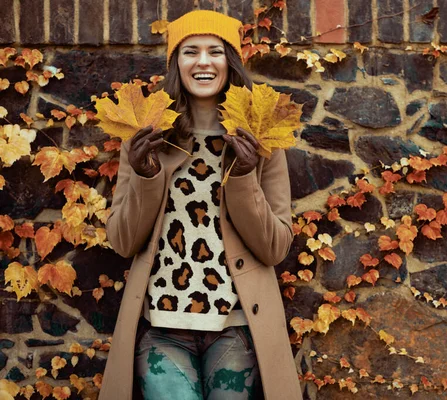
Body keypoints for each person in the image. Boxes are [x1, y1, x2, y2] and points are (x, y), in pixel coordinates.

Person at [98, 10, 302, 400]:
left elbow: (275, 247)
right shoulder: (147, 135)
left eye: (216, 51)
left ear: (231, 62)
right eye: (190, 51)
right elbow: (123, 242)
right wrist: (144, 174)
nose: (204, 62)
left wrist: (243, 175)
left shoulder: (261, 139)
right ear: (176, 63)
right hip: (162, 327)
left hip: (236, 328)